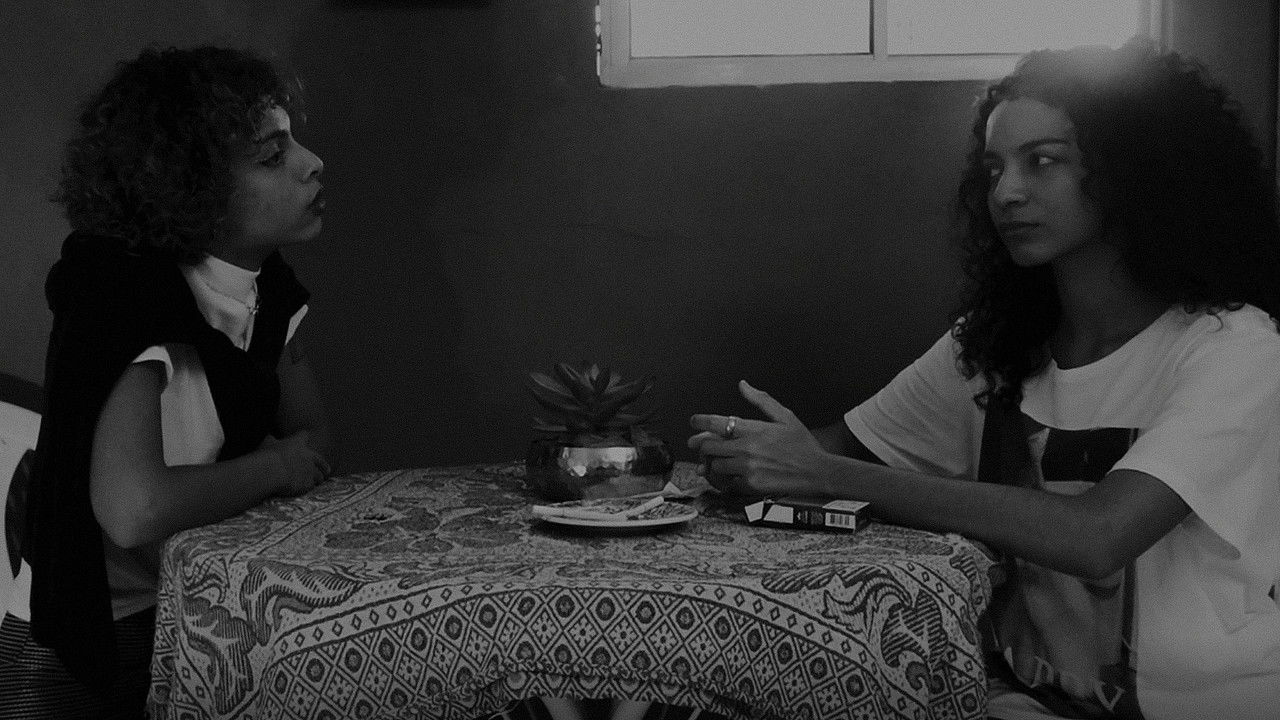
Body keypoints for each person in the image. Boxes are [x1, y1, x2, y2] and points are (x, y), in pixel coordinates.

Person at [689, 38, 1280, 720]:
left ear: (1135, 170)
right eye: (994, 168)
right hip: (1014, 704)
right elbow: (834, 452)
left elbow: (1098, 538)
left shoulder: (1236, 350)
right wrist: (752, 457)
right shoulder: (995, 344)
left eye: (1043, 161)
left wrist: (821, 473)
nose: (1007, 192)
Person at [0, 46, 332, 718]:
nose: (313, 163)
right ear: (192, 191)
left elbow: (316, 437)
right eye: (272, 157)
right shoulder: (120, 297)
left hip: (209, 604)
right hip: (98, 640)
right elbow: (134, 509)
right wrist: (273, 467)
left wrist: (282, 464)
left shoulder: (265, 285)